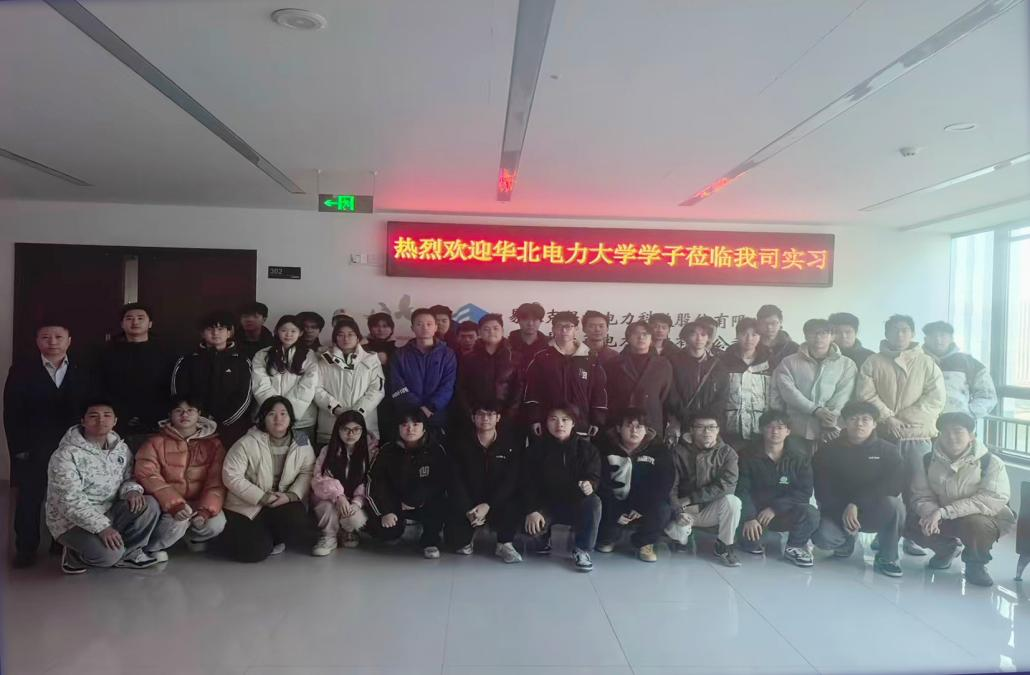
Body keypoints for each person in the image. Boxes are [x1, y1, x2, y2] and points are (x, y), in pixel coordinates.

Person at [854, 313, 945, 556]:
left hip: (917, 435)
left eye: (905, 330)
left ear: (912, 334)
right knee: (883, 486)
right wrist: (887, 418)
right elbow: (865, 395)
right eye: (894, 330)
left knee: (918, 488)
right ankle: (884, 533)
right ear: (886, 333)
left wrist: (900, 419)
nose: (900, 334)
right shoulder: (873, 362)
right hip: (883, 434)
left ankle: (912, 536)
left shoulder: (927, 363)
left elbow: (935, 400)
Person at [4, 320, 93, 568]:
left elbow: (91, 408)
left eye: (58, 337)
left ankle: (60, 542)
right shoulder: (22, 370)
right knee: (29, 498)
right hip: (33, 446)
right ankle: (26, 548)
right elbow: (11, 412)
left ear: (69, 341)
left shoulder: (83, 369)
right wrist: (18, 448)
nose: (52, 342)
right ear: (37, 341)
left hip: (72, 446)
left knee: (67, 495)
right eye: (45, 337)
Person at [46, 400, 162, 574]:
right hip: (71, 522)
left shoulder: (120, 448)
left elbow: (129, 477)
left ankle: (130, 553)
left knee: (149, 504)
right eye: (93, 416)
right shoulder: (65, 454)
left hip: (109, 511)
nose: (101, 420)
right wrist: (102, 528)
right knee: (108, 556)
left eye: (107, 415)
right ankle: (73, 556)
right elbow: (69, 501)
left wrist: (131, 490)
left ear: (115, 421)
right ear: (83, 421)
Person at [906, 412, 1015, 587]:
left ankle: (975, 565)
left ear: (971, 436)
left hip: (983, 517)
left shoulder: (990, 462)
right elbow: (921, 495)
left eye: (958, 431)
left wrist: (943, 512)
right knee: (908, 521)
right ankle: (946, 549)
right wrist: (930, 514)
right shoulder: (927, 460)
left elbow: (990, 498)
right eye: (945, 432)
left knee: (976, 525)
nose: (951, 437)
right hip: (943, 515)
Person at [812, 401, 907, 578]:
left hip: (873, 509)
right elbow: (822, 488)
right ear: (844, 423)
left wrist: (856, 504)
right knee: (823, 538)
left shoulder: (888, 451)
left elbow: (894, 485)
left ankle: (888, 557)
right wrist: (843, 512)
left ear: (875, 424)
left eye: (866, 419)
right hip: (839, 511)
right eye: (853, 419)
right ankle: (846, 542)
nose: (859, 424)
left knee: (896, 506)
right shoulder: (828, 450)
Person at [219, 397, 318, 562]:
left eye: (283, 414)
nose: (278, 419)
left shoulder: (301, 439)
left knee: (298, 521)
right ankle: (256, 536)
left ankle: (272, 535)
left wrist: (291, 495)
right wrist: (262, 497)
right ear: (263, 417)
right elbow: (231, 475)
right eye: (272, 414)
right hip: (249, 505)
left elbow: (308, 470)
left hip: (281, 501)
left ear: (291, 417)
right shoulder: (248, 441)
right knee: (254, 553)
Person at [133, 395, 227, 556]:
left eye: (190, 410)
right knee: (178, 521)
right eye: (179, 411)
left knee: (216, 523)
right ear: (170, 415)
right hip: (165, 503)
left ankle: (191, 538)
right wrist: (175, 505)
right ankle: (150, 549)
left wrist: (205, 511)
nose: (185, 415)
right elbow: (147, 475)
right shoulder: (155, 442)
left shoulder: (214, 444)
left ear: (199, 414)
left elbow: (216, 481)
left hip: (198, 502)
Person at [522, 404, 602, 572]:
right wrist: (531, 510)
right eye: (554, 419)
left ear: (573, 423)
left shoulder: (587, 449)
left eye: (565, 420)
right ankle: (543, 540)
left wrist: (590, 484)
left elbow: (593, 476)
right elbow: (527, 482)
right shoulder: (536, 449)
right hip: (546, 504)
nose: (560, 424)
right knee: (532, 531)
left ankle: (582, 550)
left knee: (594, 502)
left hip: (574, 504)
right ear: (546, 423)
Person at [735, 411, 818, 566]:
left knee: (810, 513)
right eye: (770, 427)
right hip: (756, 514)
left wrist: (774, 509)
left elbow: (804, 492)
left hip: (784, 511)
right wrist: (749, 517)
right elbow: (741, 490)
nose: (775, 431)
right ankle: (751, 536)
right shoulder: (746, 456)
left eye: (780, 427)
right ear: (761, 429)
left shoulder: (799, 458)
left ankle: (794, 547)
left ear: (788, 431)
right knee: (752, 544)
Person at [364, 410, 450, 558]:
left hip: (424, 502)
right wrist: (386, 510)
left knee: (438, 505)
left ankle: (430, 541)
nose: (410, 429)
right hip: (396, 503)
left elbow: (441, 482)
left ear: (424, 428)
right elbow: (376, 482)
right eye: (405, 425)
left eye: (415, 424)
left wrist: (418, 499)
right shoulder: (387, 450)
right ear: (398, 428)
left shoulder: (435, 450)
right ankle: (393, 530)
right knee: (387, 533)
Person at [447, 401, 523, 563]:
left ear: (498, 418)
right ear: (473, 418)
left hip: (496, 501)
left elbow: (510, 481)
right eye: (480, 414)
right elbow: (455, 479)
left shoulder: (510, 444)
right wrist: (468, 509)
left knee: (513, 502)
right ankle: (468, 536)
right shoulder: (460, 443)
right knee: (457, 544)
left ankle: (504, 544)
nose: (485, 418)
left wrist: (488, 505)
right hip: (469, 502)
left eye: (490, 414)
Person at [595, 408, 675, 562]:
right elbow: (599, 482)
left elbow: (664, 484)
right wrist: (615, 510)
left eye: (639, 427)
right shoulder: (603, 448)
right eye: (629, 426)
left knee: (663, 509)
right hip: (614, 501)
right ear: (619, 428)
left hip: (644, 502)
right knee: (597, 507)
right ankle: (608, 538)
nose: (634, 431)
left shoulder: (659, 450)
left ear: (646, 430)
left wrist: (641, 506)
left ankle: (644, 542)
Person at [771, 318, 857, 453]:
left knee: (827, 464)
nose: (818, 337)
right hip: (796, 428)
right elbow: (788, 392)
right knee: (797, 463)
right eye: (813, 333)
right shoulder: (788, 362)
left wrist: (829, 419)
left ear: (832, 336)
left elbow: (843, 394)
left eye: (824, 333)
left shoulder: (847, 364)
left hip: (831, 429)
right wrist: (814, 410)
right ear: (805, 335)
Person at [668, 413, 742, 567]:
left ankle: (724, 546)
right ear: (691, 430)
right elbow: (670, 486)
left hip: (709, 508)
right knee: (678, 534)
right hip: (684, 510)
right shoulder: (678, 452)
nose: (707, 432)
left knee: (733, 502)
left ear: (718, 430)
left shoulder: (727, 453)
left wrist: (691, 498)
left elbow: (727, 485)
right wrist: (677, 511)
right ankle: (682, 537)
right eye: (700, 427)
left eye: (711, 427)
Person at [98, 303, 174, 451]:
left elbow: (171, 386)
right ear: (122, 324)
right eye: (129, 318)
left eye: (140, 318)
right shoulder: (108, 352)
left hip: (157, 421)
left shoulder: (166, 352)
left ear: (150, 323)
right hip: (118, 420)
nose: (135, 322)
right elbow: (102, 385)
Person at [171, 310, 252, 447]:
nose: (215, 333)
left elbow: (245, 395)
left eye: (220, 329)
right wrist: (198, 419)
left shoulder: (241, 361)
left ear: (229, 333)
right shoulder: (187, 360)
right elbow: (178, 394)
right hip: (194, 427)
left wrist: (225, 420)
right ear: (202, 333)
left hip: (231, 427)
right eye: (210, 329)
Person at [523, 311, 608, 437]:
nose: (564, 330)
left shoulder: (590, 359)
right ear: (553, 329)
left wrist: (597, 420)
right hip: (550, 425)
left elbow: (599, 391)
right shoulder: (542, 357)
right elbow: (532, 390)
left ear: (576, 329)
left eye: (568, 326)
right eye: (559, 326)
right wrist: (534, 419)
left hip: (581, 424)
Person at [314, 315, 385, 446]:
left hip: (364, 426)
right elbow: (316, 389)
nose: (346, 339)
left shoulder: (371, 360)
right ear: (335, 338)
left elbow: (377, 390)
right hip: (330, 427)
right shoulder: (324, 360)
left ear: (358, 337)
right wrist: (335, 408)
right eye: (340, 335)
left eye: (350, 334)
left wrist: (357, 413)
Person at [310, 411, 373, 556]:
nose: (351, 434)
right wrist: (338, 496)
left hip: (357, 500)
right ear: (337, 430)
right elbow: (319, 478)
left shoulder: (370, 452)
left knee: (354, 518)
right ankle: (329, 536)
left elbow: (369, 481)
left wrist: (357, 502)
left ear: (363, 430)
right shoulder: (328, 450)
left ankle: (348, 531)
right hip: (330, 498)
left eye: (356, 429)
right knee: (325, 507)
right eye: (346, 429)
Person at [251, 315, 321, 440]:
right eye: (284, 330)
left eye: (293, 331)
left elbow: (309, 385)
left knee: (302, 450)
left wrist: (289, 413)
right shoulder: (262, 355)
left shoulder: (309, 355)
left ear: (300, 333)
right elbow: (260, 385)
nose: (288, 334)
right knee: (269, 451)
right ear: (277, 331)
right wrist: (276, 412)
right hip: (270, 419)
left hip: (301, 421)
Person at [389, 308, 458, 433]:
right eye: (419, 324)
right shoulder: (400, 355)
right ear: (412, 328)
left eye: (429, 324)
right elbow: (397, 385)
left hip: (436, 414)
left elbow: (448, 386)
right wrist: (418, 408)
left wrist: (430, 407)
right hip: (408, 417)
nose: (425, 328)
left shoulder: (447, 354)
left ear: (435, 327)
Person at [603, 321, 673, 440]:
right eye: (636, 333)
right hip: (621, 421)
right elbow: (608, 394)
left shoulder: (663, 364)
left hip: (651, 419)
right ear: (628, 338)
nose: (641, 337)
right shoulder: (613, 364)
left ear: (651, 339)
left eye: (645, 334)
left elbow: (664, 395)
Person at [455, 314, 521, 427]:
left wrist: (508, 414)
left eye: (495, 328)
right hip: (476, 416)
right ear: (479, 332)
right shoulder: (469, 358)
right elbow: (461, 388)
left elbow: (518, 388)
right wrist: (470, 412)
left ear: (502, 331)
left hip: (504, 417)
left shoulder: (514, 358)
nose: (491, 332)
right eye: (486, 329)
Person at [715, 318, 772, 449]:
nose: (749, 339)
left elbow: (774, 395)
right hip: (729, 428)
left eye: (754, 334)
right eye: (744, 334)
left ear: (760, 337)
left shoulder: (770, 362)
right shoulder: (723, 362)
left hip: (760, 429)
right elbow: (718, 395)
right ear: (737, 335)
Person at [922, 321, 997, 419]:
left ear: (951, 338)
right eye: (933, 336)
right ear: (925, 339)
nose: (938, 339)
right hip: (922, 423)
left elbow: (987, 395)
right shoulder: (915, 362)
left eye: (942, 335)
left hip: (958, 424)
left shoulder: (969, 363)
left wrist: (969, 413)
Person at [667, 320, 723, 445]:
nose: (699, 338)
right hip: (681, 421)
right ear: (685, 337)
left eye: (703, 334)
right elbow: (670, 392)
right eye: (694, 334)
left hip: (708, 424)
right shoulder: (673, 361)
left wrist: (708, 416)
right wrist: (685, 415)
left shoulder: (717, 364)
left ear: (708, 338)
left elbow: (723, 394)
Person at [365, 312, 399, 441]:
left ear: (391, 328)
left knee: (390, 434)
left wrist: (388, 363)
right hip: (368, 397)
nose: (381, 329)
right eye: (376, 326)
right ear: (370, 328)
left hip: (392, 398)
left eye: (385, 326)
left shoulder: (399, 350)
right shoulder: (362, 349)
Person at [756, 304, 799, 369]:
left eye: (773, 323)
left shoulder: (794, 348)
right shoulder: (752, 346)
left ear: (780, 322)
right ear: (759, 323)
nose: (769, 327)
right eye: (765, 323)